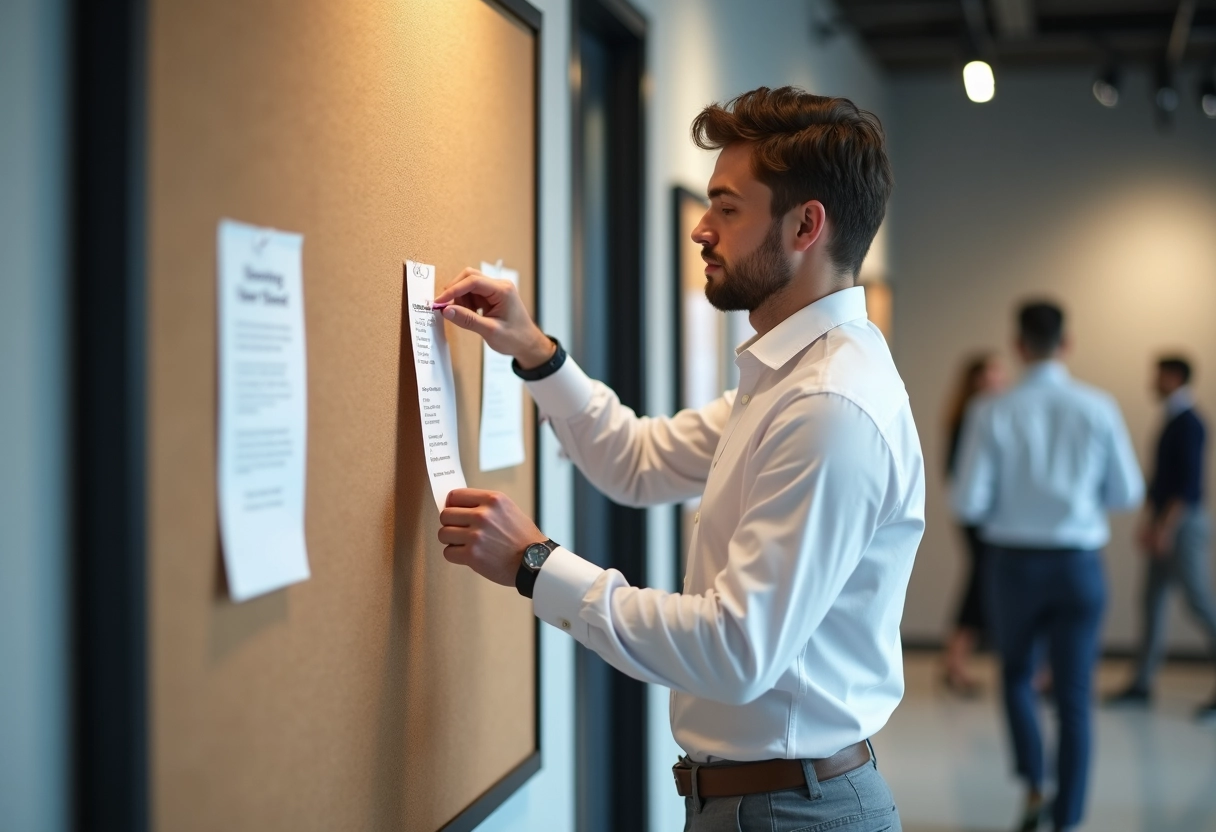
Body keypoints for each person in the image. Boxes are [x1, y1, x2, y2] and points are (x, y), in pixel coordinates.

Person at [432, 87, 924, 832]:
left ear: (805, 225)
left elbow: (735, 651)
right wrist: (536, 353)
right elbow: (636, 460)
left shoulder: (829, 408)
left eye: (727, 208)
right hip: (764, 803)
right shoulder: (790, 380)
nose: (701, 229)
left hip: (791, 814)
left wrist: (535, 564)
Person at [952, 301, 1143, 832]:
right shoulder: (1098, 406)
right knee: (1075, 696)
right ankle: (1070, 817)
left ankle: (1035, 783)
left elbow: (967, 502)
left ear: (1018, 346)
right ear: (1068, 343)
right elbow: (1127, 492)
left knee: (1015, 676)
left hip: (1013, 564)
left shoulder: (991, 409)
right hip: (1079, 564)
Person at [1107, 356, 1216, 719]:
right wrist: (1149, 523)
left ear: (1173, 377)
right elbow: (1161, 480)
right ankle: (1142, 682)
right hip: (1164, 523)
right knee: (1151, 602)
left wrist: (1164, 527)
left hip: (1183, 524)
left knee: (1199, 600)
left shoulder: (1190, 422)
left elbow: (1186, 485)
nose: (1151, 382)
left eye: (1157, 375)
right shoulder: (1173, 418)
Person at [942, 352, 1006, 695]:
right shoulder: (976, 417)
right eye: (994, 374)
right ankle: (954, 663)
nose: (1002, 380)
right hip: (980, 517)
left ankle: (954, 662)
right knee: (981, 585)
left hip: (980, 516)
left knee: (982, 584)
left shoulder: (975, 415)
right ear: (977, 380)